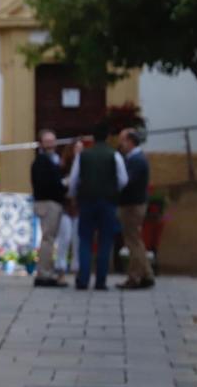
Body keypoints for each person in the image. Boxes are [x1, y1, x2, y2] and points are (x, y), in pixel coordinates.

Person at [67, 121, 129, 290]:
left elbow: (73, 179)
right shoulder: (114, 155)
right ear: (108, 137)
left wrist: (73, 196)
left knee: (85, 239)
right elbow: (123, 179)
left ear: (93, 137)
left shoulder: (83, 155)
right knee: (105, 241)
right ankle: (100, 281)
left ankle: (83, 280)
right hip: (108, 202)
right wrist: (113, 190)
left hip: (87, 201)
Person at [116, 128, 154, 289]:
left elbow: (127, 182)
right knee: (135, 240)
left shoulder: (136, 160)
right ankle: (146, 274)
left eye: (123, 140)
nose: (120, 144)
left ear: (131, 141)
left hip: (132, 205)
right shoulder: (134, 158)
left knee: (132, 242)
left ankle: (135, 276)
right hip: (133, 204)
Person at [31, 129, 67, 287]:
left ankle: (46, 271)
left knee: (49, 239)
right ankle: (44, 274)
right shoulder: (41, 162)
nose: (51, 144)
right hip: (47, 203)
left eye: (53, 141)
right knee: (48, 239)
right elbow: (48, 184)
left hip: (51, 203)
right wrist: (62, 185)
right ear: (42, 143)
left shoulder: (51, 160)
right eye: (48, 141)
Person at [54, 142, 80, 275]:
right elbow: (58, 184)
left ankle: (76, 265)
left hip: (78, 205)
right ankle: (61, 264)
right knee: (65, 235)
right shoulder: (63, 166)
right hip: (65, 204)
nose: (79, 151)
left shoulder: (84, 165)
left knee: (77, 238)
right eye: (77, 148)